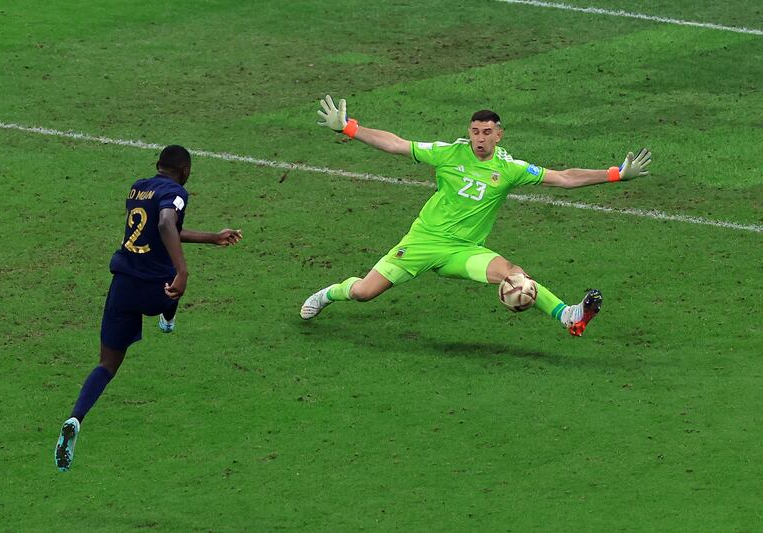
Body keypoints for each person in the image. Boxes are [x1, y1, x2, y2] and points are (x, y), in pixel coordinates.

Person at [301, 95, 651, 337]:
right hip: (423, 242)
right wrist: (348, 127)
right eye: (475, 132)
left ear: (498, 134)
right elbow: (396, 143)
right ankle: (328, 294)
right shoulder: (447, 154)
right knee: (364, 292)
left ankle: (569, 316)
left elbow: (563, 177)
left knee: (515, 275)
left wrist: (615, 174)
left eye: (487, 133)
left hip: (465, 250)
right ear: (469, 132)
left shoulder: (510, 168)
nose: (480, 138)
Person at [55, 145, 242, 472]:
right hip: (156, 288)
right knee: (176, 283)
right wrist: (182, 271)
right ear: (184, 170)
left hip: (122, 285)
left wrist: (212, 237)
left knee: (106, 365)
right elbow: (166, 224)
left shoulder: (138, 188)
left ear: (158, 166)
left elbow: (165, 227)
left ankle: (75, 418)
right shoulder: (177, 191)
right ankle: (168, 317)